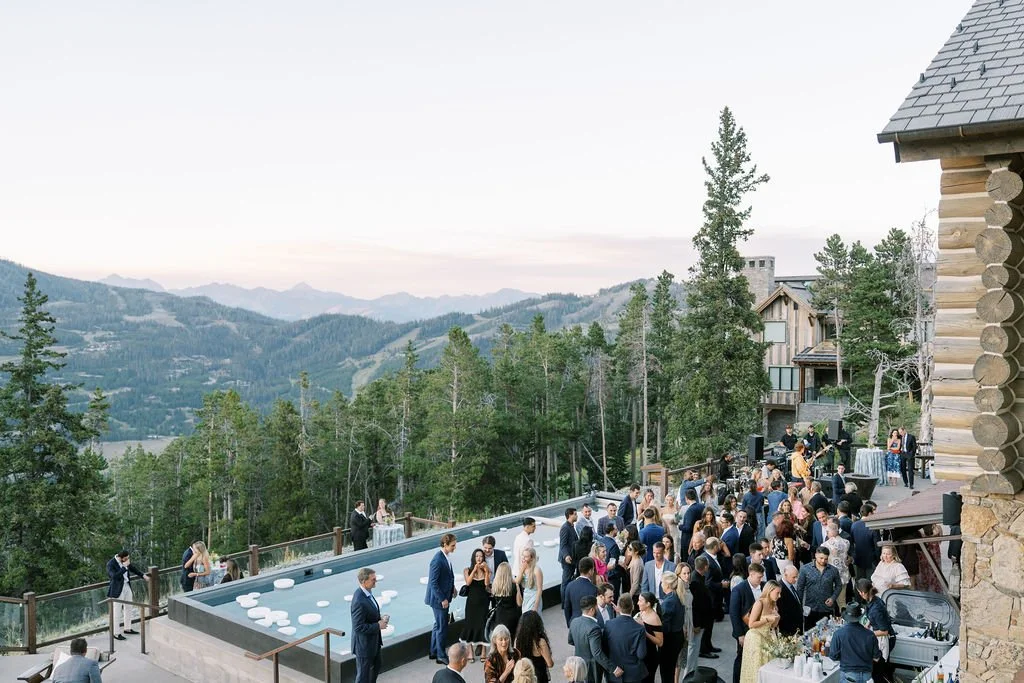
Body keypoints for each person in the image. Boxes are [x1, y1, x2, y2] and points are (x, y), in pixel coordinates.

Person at [568, 595, 621, 683]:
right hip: (592, 669)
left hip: (577, 664)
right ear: (592, 610)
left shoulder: (574, 621)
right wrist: (613, 669)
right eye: (596, 607)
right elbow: (597, 653)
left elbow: (570, 641)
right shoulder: (594, 628)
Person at [739, 579, 780, 683]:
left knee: (768, 667)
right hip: (755, 638)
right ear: (770, 591)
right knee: (756, 668)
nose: (779, 596)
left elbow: (772, 626)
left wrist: (777, 619)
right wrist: (767, 619)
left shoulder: (774, 605)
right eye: (777, 593)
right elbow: (751, 624)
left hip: (768, 638)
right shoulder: (759, 603)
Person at [425, 533, 457, 664]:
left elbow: (448, 576)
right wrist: (443, 599)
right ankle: (441, 655)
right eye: (453, 545)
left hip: (443, 596)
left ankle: (433, 651)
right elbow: (433, 582)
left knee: (438, 625)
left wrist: (453, 588)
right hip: (439, 600)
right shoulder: (437, 560)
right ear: (445, 544)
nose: (454, 548)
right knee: (442, 627)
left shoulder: (445, 556)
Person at [729, 563, 764, 683]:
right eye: (759, 577)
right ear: (751, 574)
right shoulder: (739, 589)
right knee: (741, 658)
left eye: (762, 577)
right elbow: (734, 613)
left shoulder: (763, 586)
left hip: (759, 630)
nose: (761, 580)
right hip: (745, 631)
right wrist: (740, 635)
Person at [856, 579, 896, 683]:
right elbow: (872, 617)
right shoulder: (874, 600)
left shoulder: (876, 609)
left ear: (863, 593)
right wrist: (867, 625)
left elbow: (884, 631)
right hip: (883, 636)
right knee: (883, 667)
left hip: (887, 638)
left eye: (859, 592)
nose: (859, 594)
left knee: (879, 670)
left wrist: (866, 633)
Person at [829, 604, 881, 683]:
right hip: (867, 676)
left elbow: (833, 656)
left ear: (846, 617)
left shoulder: (838, 634)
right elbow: (876, 658)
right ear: (860, 617)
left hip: (848, 675)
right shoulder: (870, 635)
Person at [351, 567, 385, 683]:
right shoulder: (359, 601)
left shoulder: (367, 593)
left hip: (373, 642)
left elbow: (368, 614)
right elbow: (358, 627)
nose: (376, 581)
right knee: (363, 677)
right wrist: (378, 626)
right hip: (364, 646)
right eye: (373, 579)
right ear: (364, 581)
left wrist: (379, 618)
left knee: (376, 666)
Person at [605, 594, 648, 683]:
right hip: (633, 674)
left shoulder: (608, 624)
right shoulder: (640, 629)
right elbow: (641, 654)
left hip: (614, 673)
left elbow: (605, 648)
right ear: (633, 607)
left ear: (619, 607)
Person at [797, 547, 843, 628]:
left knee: (827, 632)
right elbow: (800, 588)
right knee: (809, 632)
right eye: (821, 558)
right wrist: (799, 606)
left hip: (826, 608)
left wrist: (833, 598)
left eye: (826, 559)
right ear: (816, 555)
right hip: (810, 608)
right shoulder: (805, 569)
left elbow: (839, 585)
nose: (823, 561)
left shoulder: (833, 570)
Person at [106, 550, 145, 641]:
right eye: (126, 558)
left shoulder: (125, 561)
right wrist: (124, 567)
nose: (128, 560)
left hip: (127, 586)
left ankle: (127, 628)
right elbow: (114, 576)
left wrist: (143, 576)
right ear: (121, 558)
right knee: (117, 611)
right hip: (117, 589)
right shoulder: (111, 564)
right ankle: (116, 633)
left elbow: (133, 569)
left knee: (129, 608)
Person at [463, 548, 492, 660]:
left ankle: (484, 651)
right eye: (477, 556)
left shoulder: (486, 570)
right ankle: (470, 652)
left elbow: (487, 584)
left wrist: (486, 571)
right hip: (471, 602)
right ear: (473, 558)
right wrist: (474, 570)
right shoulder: (467, 570)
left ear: (483, 558)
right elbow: (468, 583)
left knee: (483, 624)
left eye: (481, 556)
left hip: (483, 602)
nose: (479, 558)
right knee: (469, 624)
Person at [658, 573, 685, 683]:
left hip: (670, 641)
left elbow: (665, 627)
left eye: (662, 582)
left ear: (667, 585)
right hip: (677, 637)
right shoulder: (676, 596)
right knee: (670, 670)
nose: (661, 584)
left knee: (666, 673)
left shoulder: (669, 601)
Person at [674, 563, 698, 681]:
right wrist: (684, 627)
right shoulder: (679, 588)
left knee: (682, 657)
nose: (687, 576)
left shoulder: (687, 586)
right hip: (682, 625)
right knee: (679, 658)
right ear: (678, 574)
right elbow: (680, 611)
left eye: (688, 573)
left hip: (688, 622)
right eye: (684, 573)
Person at [691, 556, 718, 660]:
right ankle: (703, 650)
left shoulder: (699, 576)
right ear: (706, 567)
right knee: (704, 632)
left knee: (708, 630)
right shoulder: (695, 580)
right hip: (702, 613)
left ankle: (708, 646)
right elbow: (696, 602)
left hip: (706, 611)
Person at [515, 610, 553, 683]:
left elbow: (518, 661)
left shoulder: (518, 640)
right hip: (540, 677)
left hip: (526, 676)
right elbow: (550, 664)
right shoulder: (540, 642)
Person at [634, 592, 663, 683]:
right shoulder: (642, 612)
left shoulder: (654, 618)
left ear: (648, 604)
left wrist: (645, 632)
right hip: (641, 654)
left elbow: (660, 642)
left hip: (650, 657)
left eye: (640, 601)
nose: (637, 603)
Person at [822, 522, 852, 608]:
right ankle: (844, 616)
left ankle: (834, 616)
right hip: (843, 576)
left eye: (827, 532)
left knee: (830, 601)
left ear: (829, 532)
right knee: (842, 602)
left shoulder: (825, 545)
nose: (827, 534)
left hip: (830, 577)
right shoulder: (846, 542)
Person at [563, 557, 600, 627]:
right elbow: (595, 610)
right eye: (593, 569)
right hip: (588, 625)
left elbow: (567, 607)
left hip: (573, 622)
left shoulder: (569, 585)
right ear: (590, 571)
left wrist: (569, 623)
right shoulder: (593, 589)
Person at [491, 562, 522, 641]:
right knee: (512, 639)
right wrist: (518, 587)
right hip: (513, 616)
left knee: (502, 639)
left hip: (499, 616)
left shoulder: (495, 586)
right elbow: (519, 603)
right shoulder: (514, 586)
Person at [851, 505, 881, 581]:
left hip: (859, 559)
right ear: (869, 513)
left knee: (860, 581)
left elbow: (852, 541)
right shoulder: (873, 526)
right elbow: (877, 546)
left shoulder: (854, 525)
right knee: (871, 581)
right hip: (871, 560)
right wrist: (879, 560)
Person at [560, 508, 581, 603]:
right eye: (575, 514)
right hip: (567, 560)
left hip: (572, 559)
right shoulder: (565, 528)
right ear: (570, 515)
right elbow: (563, 544)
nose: (577, 516)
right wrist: (566, 556)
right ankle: (564, 603)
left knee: (569, 580)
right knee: (566, 581)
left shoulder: (571, 526)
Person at [677, 488, 704, 558]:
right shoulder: (702, 506)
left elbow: (688, 527)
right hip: (700, 537)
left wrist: (679, 526)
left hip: (688, 539)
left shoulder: (690, 510)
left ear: (686, 498)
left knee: (687, 558)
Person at [776, 565, 803, 636]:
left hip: (797, 627)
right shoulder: (779, 589)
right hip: (789, 630)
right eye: (794, 577)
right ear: (785, 575)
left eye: (797, 577)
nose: (796, 579)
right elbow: (782, 612)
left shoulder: (790, 585)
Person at [519, 546, 544, 613]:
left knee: (533, 617)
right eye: (523, 555)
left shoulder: (537, 570)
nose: (523, 558)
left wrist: (535, 606)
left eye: (526, 556)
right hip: (526, 596)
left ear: (532, 558)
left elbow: (539, 589)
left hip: (534, 597)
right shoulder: (523, 568)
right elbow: (517, 581)